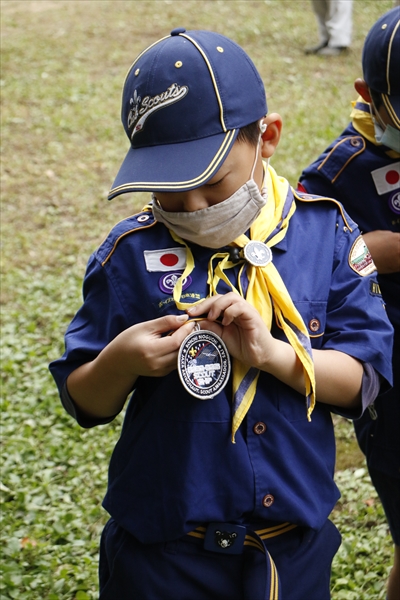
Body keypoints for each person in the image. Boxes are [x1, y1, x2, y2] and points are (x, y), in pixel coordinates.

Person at [49, 27, 394, 600]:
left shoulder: (327, 236)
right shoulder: (129, 254)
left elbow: (362, 381)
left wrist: (273, 354)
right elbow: (85, 399)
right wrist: (122, 360)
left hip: (289, 554)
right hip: (162, 558)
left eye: (210, 184)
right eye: (169, 193)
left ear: (267, 137)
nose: (193, 209)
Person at [299, 8, 400, 600]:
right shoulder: (337, 175)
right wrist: (369, 253)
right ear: (370, 96)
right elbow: (303, 262)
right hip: (391, 386)